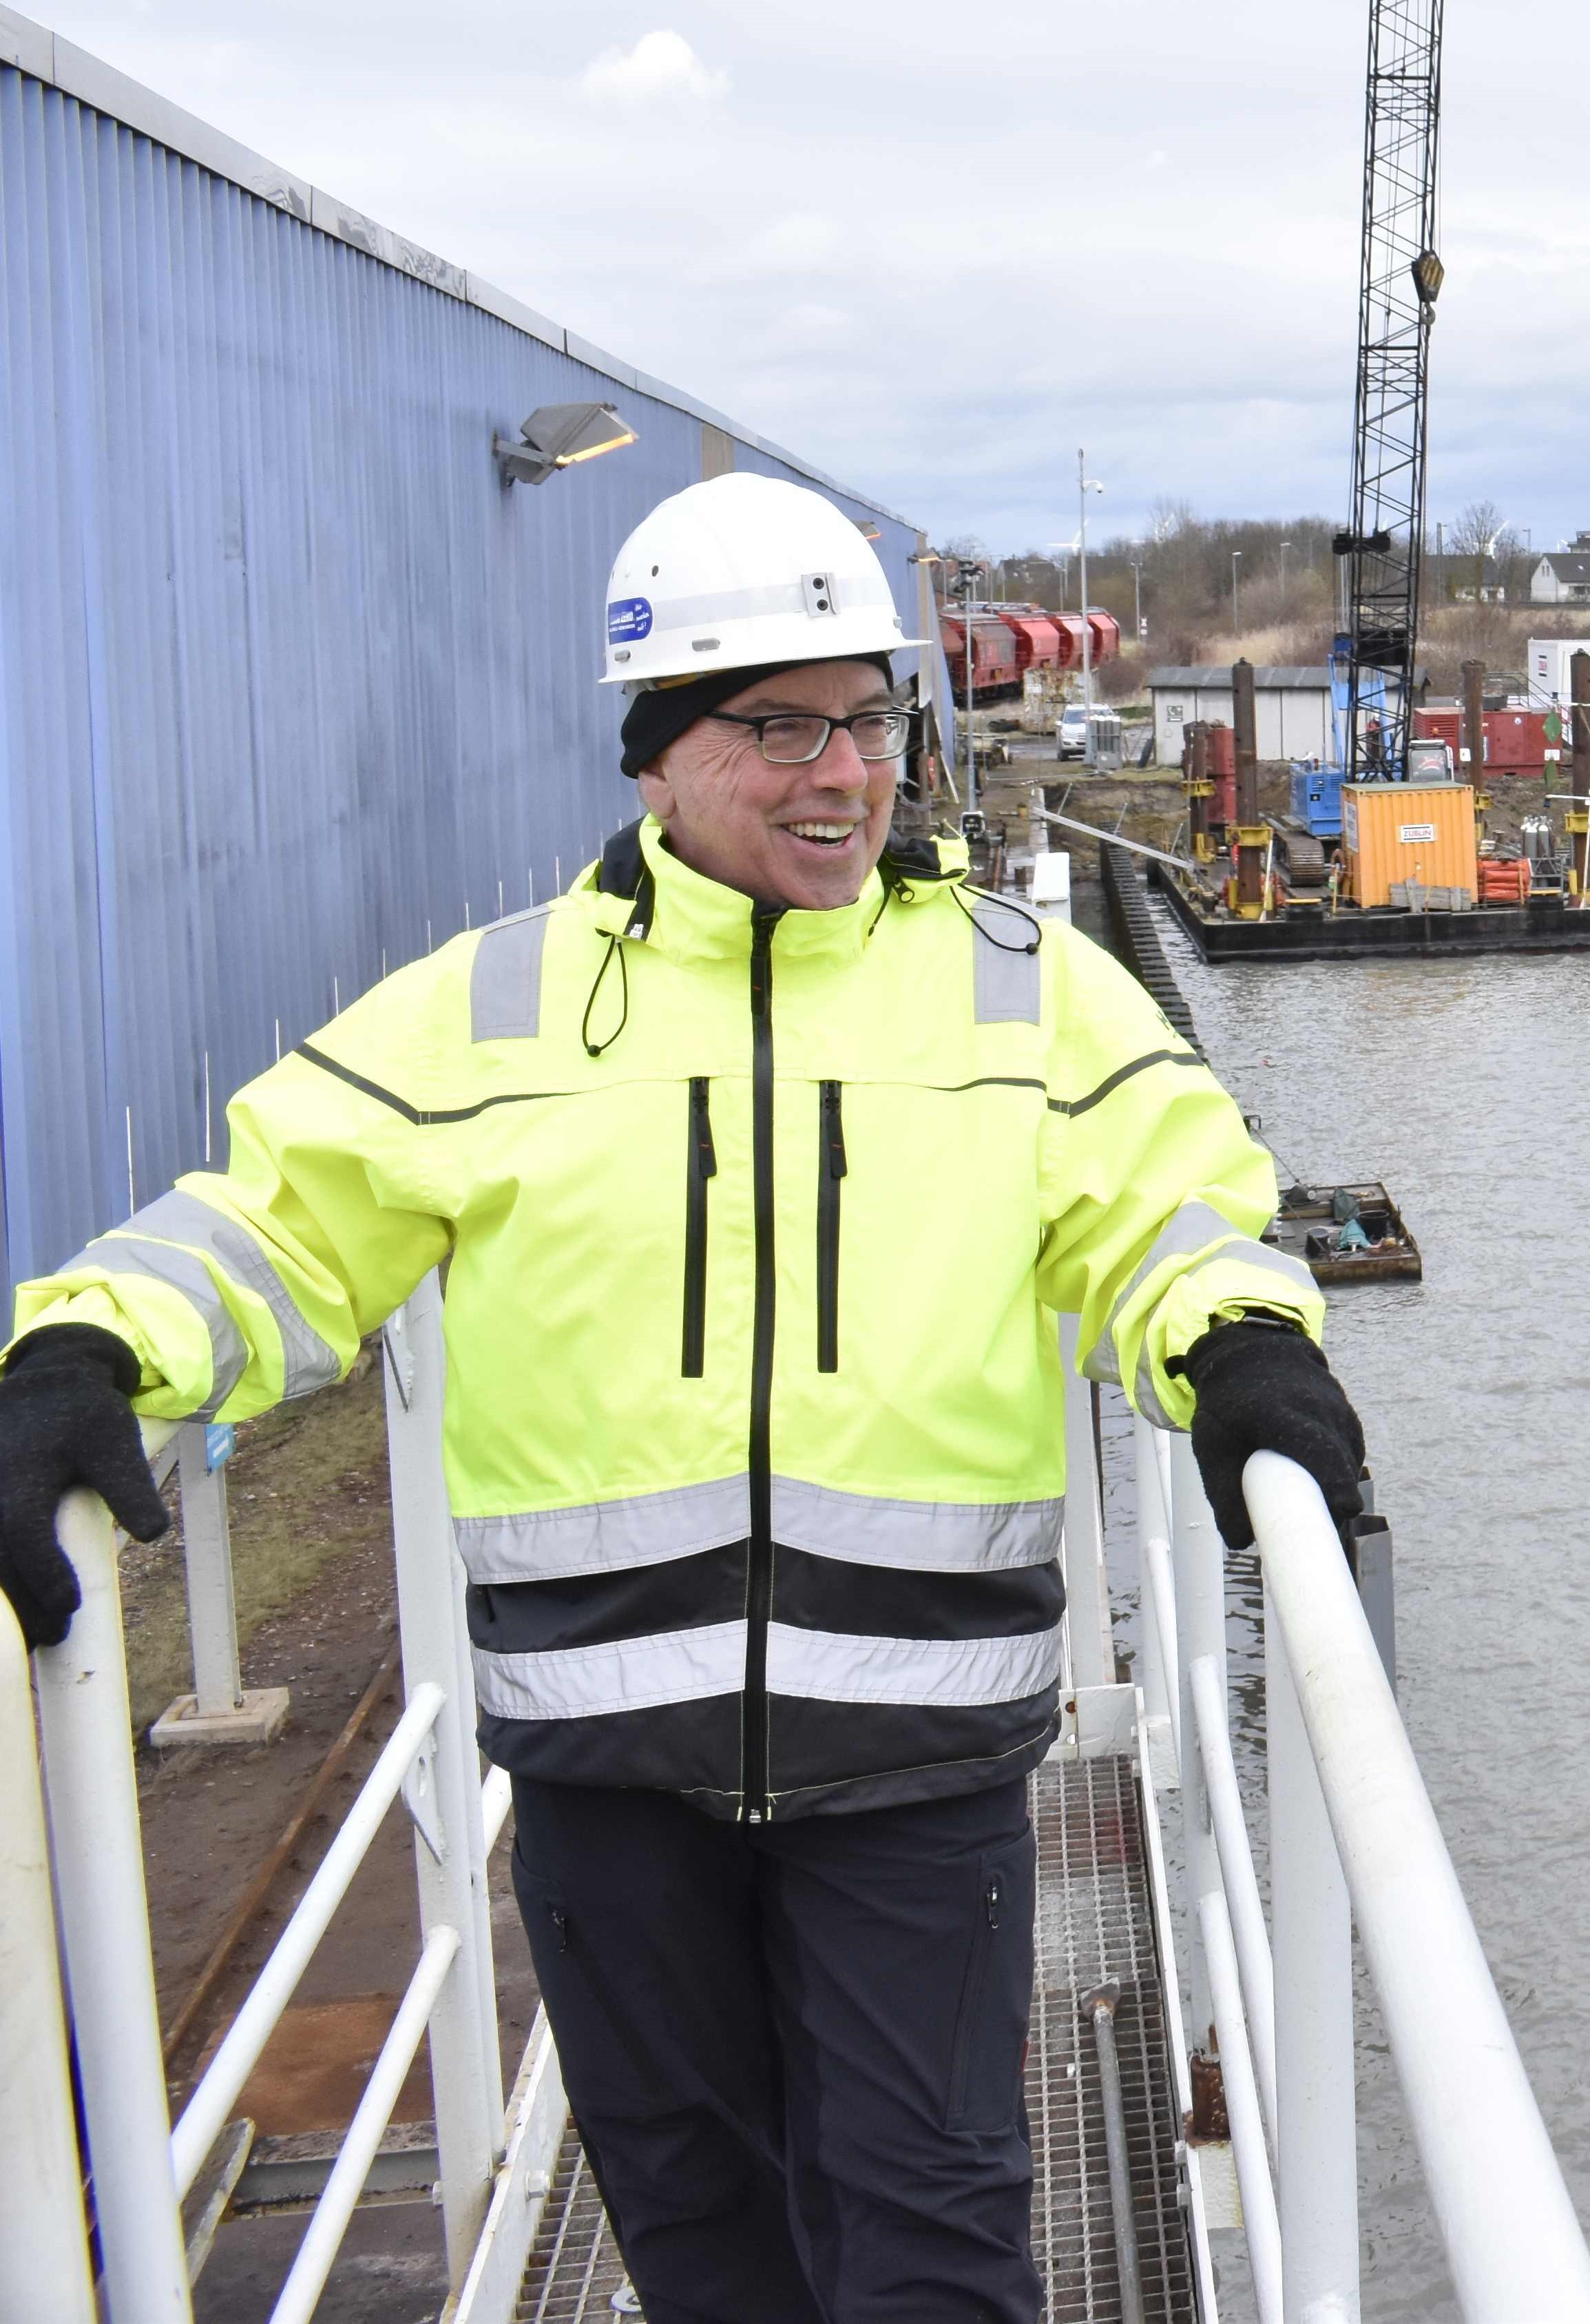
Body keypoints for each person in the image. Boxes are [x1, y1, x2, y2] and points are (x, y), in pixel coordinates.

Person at [0, 473, 1370, 2323]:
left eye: (868, 717)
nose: (844, 773)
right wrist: (86, 1342)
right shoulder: (493, 1007)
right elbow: (277, 1221)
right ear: (654, 754)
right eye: (779, 726)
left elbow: (1170, 1203)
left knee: (934, 2256)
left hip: (919, 1762)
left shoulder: (1015, 995)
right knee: (708, 2253)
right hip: (608, 1773)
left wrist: (1245, 1352)